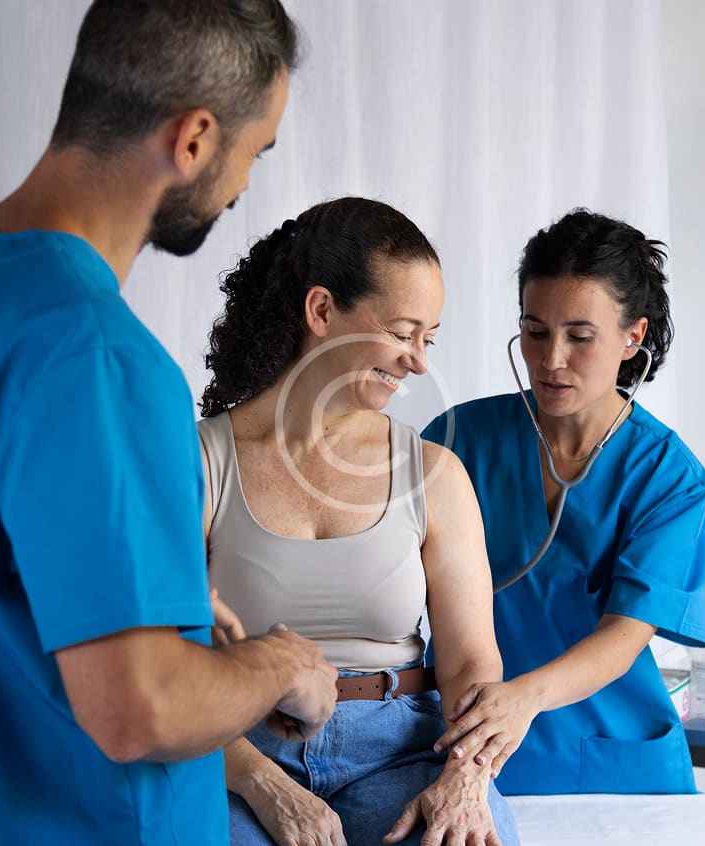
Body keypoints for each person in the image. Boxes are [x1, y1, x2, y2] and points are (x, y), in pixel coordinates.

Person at [0, 3, 338, 845]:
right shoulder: (97, 355)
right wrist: (277, 663)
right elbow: (137, 708)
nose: (245, 184)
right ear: (193, 140)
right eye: (255, 151)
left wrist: (160, 601)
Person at [197, 197, 521, 846]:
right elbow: (162, 661)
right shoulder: (201, 462)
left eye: (429, 339)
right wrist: (261, 782)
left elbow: (471, 661)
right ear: (321, 311)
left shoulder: (434, 474)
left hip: (403, 749)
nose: (419, 361)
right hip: (237, 751)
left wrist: (466, 774)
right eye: (402, 333)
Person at [422, 209, 705, 795]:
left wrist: (522, 698)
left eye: (580, 337)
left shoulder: (666, 474)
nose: (552, 359)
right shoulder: (456, 440)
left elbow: (626, 633)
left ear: (633, 337)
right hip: (466, 741)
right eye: (535, 331)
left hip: (613, 754)